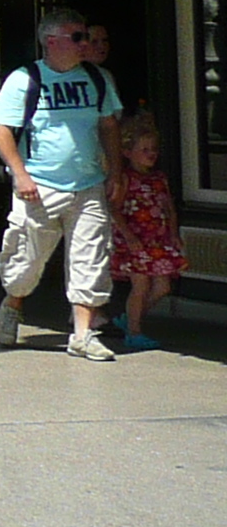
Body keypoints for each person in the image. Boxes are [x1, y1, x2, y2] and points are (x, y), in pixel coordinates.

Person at [0, 6, 123, 361]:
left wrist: (116, 173)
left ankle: (83, 334)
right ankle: (14, 302)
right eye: (77, 37)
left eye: (87, 37)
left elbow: (109, 126)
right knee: (27, 261)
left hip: (88, 184)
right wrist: (20, 174)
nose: (86, 44)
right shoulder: (25, 79)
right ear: (52, 41)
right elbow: (1, 129)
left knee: (91, 258)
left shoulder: (98, 79)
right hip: (40, 186)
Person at [108, 110, 184, 352]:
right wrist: (129, 237)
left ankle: (130, 318)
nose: (151, 154)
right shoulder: (126, 179)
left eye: (153, 149)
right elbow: (115, 209)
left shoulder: (159, 178)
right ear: (128, 153)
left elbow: (168, 208)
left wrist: (173, 234)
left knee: (162, 286)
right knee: (140, 285)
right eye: (145, 150)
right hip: (135, 242)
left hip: (157, 240)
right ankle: (134, 331)